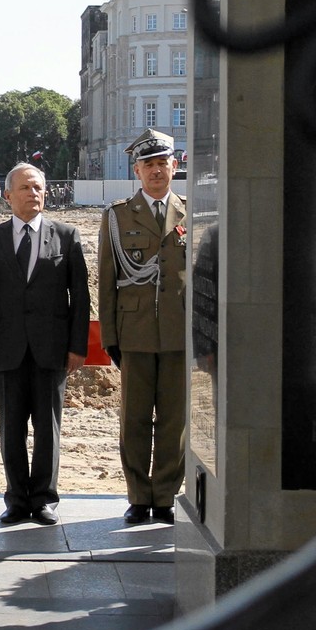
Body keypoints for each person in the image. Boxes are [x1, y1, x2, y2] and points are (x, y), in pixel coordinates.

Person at [0, 163, 89, 526]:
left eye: (38, 187)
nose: (33, 194)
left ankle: (44, 499)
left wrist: (77, 346)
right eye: (25, 188)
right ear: (7, 196)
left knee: (48, 426)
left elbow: (81, 297)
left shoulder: (66, 236)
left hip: (51, 348)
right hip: (6, 348)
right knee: (11, 428)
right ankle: (16, 498)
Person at [99, 128, 188, 526]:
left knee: (174, 420)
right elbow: (106, 280)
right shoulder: (118, 217)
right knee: (134, 419)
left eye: (162, 163)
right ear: (137, 170)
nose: (156, 171)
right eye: (148, 164)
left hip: (179, 333)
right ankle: (138, 496)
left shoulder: (193, 212)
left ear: (175, 165)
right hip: (133, 334)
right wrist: (110, 338)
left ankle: (165, 495)